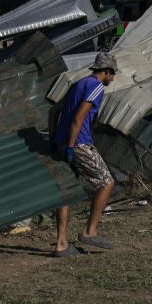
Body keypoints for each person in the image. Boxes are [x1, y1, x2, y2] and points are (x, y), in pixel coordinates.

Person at [51, 52, 118, 258]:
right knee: (106, 182)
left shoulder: (78, 83)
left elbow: (53, 111)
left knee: (66, 190)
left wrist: (54, 138)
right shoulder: (96, 86)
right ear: (106, 72)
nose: (113, 78)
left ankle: (61, 244)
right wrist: (72, 146)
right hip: (79, 142)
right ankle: (90, 231)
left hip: (62, 142)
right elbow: (79, 117)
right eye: (113, 74)